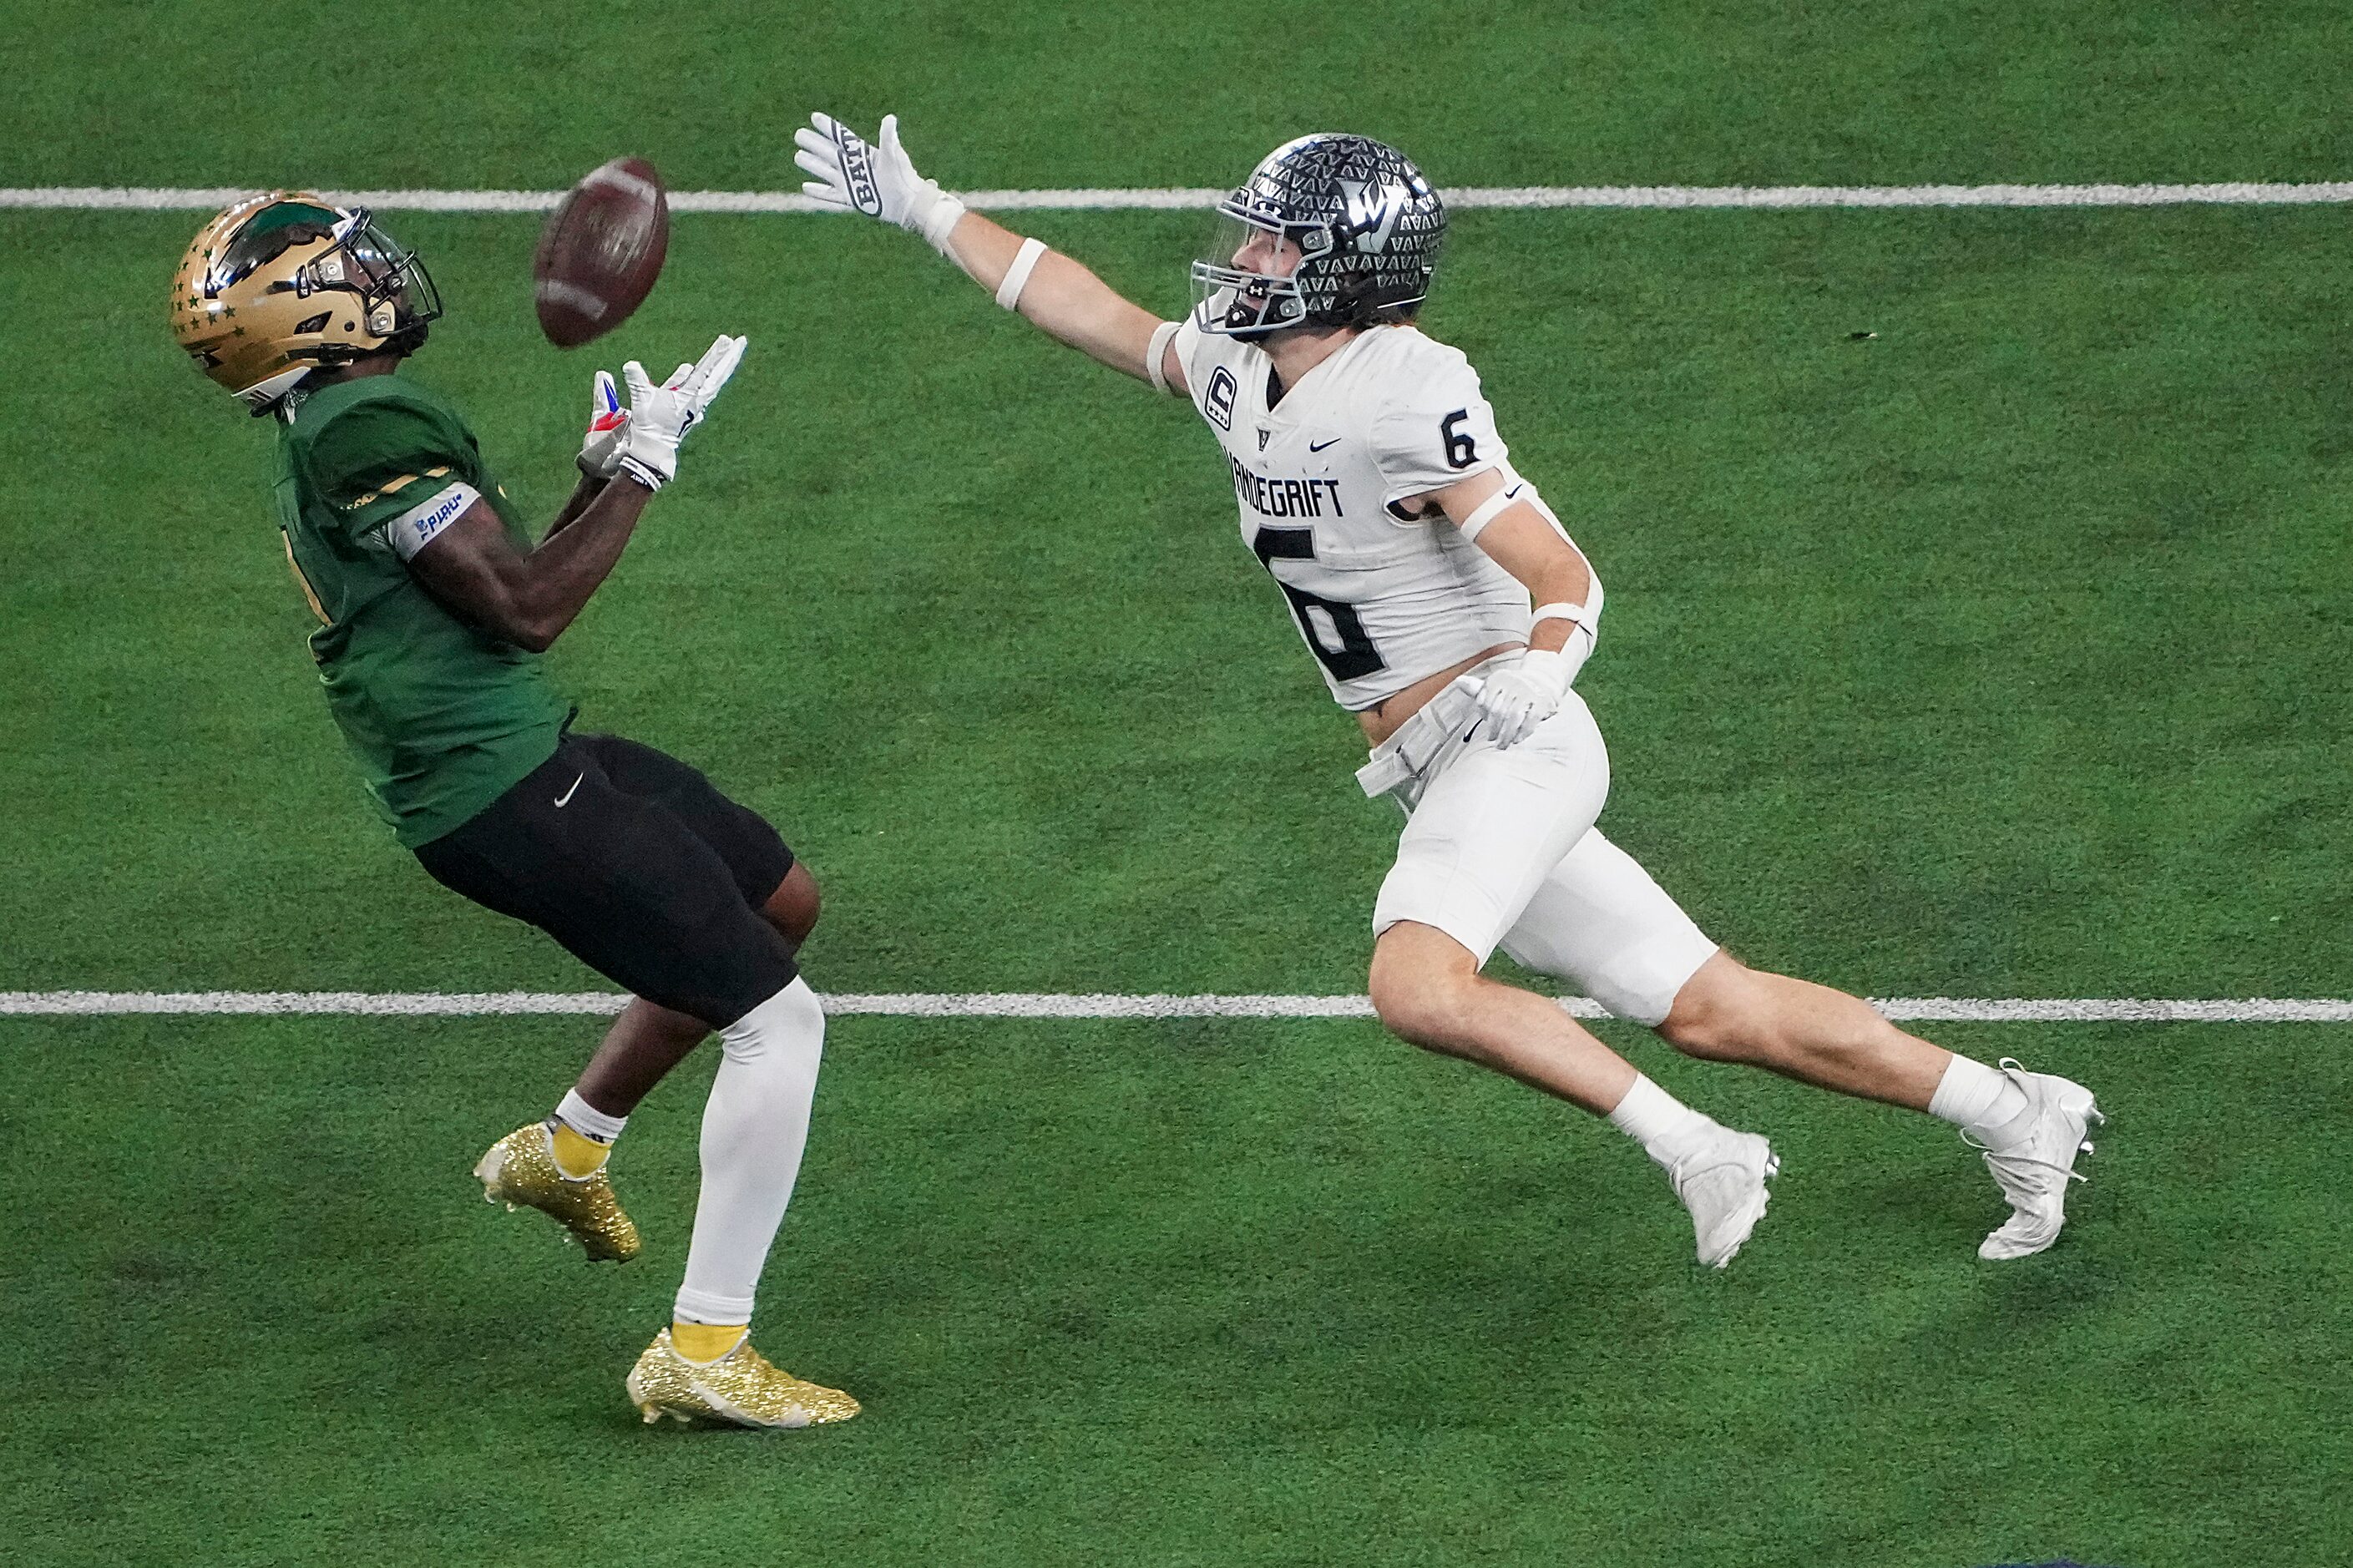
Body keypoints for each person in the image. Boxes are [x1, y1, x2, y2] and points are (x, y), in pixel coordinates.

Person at [793, 119, 2104, 1265]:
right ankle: (2014, 1109)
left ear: (1347, 271)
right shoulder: (1248, 370)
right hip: (1436, 760)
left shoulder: (1408, 389)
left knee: (1415, 985)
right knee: (1713, 1004)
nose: (1244, 258)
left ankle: (1696, 1146)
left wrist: (1544, 665)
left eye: (1274, 243)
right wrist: (926, 209)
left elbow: (1560, 568)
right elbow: (1089, 310)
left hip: (1507, 738)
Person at [170, 192, 856, 1424]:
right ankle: (703, 1345)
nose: (383, 274)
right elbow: (527, 606)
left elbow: (481, 578)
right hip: (499, 791)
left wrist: (597, 476)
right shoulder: (363, 420)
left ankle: (570, 1145)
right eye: (351, 265)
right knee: (779, 1022)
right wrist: (644, 470)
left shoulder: (335, 423)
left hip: (519, 749)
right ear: (308, 314)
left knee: (775, 896)